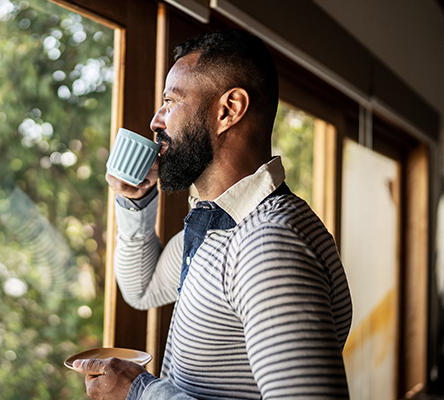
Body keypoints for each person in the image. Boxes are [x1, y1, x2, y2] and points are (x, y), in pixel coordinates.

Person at [73, 29, 353, 400]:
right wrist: (136, 200)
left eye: (170, 102)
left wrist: (140, 392)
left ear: (228, 110)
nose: (156, 121)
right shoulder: (221, 225)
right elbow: (143, 287)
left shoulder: (269, 244)